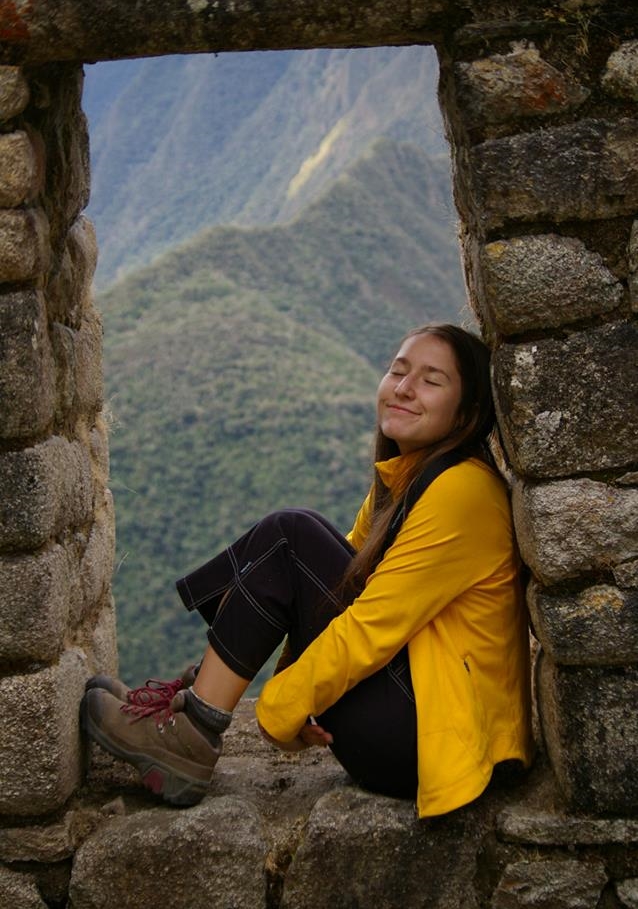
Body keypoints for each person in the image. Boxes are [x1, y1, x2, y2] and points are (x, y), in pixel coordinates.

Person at [81, 323, 533, 818]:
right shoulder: (408, 481)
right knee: (295, 540)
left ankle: (194, 732)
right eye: (397, 370)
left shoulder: (461, 491)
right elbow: (326, 594)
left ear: (466, 414)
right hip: (412, 716)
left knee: (291, 534)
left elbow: (369, 626)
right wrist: (295, 692)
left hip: (431, 742)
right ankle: (196, 708)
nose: (403, 388)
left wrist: (279, 709)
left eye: (431, 380)